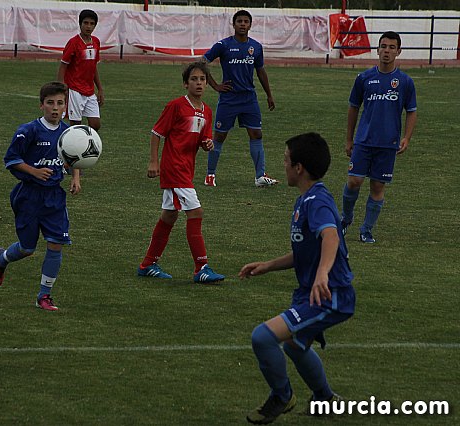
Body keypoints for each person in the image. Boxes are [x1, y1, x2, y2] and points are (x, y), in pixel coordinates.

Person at [239, 133, 355, 424]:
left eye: (286, 160)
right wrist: (269, 265)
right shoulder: (307, 199)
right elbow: (307, 252)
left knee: (263, 337)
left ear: (299, 168)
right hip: (312, 292)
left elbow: (330, 236)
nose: (284, 165)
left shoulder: (317, 201)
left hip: (331, 294)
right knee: (293, 344)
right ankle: (326, 400)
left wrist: (322, 276)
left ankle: (282, 396)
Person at [0, 81, 81, 312]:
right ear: (41, 105)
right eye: (50, 103)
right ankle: (2, 259)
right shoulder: (27, 131)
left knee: (56, 244)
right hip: (28, 196)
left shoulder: (68, 133)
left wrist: (75, 177)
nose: (55, 108)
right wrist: (34, 171)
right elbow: (11, 160)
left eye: (60, 103)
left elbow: (74, 158)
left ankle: (44, 295)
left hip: (54, 198)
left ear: (65, 107)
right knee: (27, 248)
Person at [137, 62, 225, 284]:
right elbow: (157, 133)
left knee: (169, 215)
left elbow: (204, 138)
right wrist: (153, 162)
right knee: (196, 213)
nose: (198, 83)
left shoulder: (207, 110)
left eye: (202, 79)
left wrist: (207, 144)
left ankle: (147, 264)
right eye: (194, 79)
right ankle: (201, 267)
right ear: (186, 83)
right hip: (174, 168)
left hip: (186, 169)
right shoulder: (176, 106)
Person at [341, 31, 417, 244]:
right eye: (383, 46)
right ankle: (346, 218)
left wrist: (407, 138)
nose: (387, 50)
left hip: (388, 144)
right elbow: (353, 108)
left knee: (377, 187)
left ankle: (366, 230)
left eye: (392, 47)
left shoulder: (405, 82)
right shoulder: (364, 78)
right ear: (377, 49)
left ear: (398, 51)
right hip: (364, 141)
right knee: (354, 181)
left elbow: (411, 110)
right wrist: (349, 139)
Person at [201, 9, 278, 188]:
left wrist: (269, 94)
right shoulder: (223, 45)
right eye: (239, 21)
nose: (243, 24)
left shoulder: (256, 47)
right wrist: (215, 86)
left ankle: (260, 176)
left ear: (250, 25)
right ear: (233, 24)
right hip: (228, 99)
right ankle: (210, 175)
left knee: (256, 133)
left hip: (249, 98)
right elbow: (202, 62)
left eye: (246, 21)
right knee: (219, 136)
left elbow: (260, 71)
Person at [57, 9, 104, 131]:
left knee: (95, 124)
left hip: (89, 90)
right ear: (80, 24)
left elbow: (94, 67)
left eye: (92, 23)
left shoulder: (96, 42)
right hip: (74, 89)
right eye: (86, 23)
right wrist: (61, 88)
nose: (88, 26)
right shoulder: (73, 42)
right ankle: (71, 146)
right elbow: (63, 65)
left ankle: (85, 145)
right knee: (75, 125)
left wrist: (100, 89)